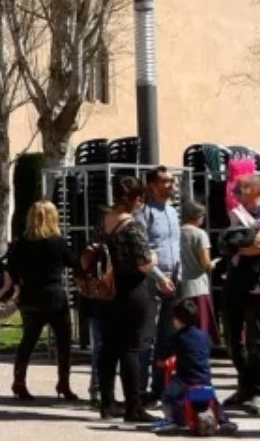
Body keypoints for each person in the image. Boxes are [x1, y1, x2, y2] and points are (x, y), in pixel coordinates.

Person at [97, 176, 158, 423]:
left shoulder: (103, 221)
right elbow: (144, 263)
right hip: (132, 291)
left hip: (107, 291)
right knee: (131, 349)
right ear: (135, 199)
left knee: (108, 349)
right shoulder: (133, 226)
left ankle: (107, 403)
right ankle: (134, 406)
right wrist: (155, 257)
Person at [6, 199, 80, 401]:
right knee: (63, 341)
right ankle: (63, 383)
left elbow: (10, 268)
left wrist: (18, 286)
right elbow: (74, 264)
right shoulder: (57, 242)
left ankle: (19, 381)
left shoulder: (21, 243)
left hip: (29, 295)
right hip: (53, 295)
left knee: (28, 340)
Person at [222, 173, 260, 415]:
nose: (235, 192)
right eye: (235, 188)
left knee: (258, 341)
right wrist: (236, 244)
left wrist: (237, 246)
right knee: (233, 341)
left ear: (256, 191)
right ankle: (244, 387)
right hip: (233, 284)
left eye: (241, 188)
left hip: (255, 287)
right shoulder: (236, 215)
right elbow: (225, 243)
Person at [135, 165, 182, 402]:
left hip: (173, 280)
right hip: (152, 281)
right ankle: (140, 390)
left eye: (171, 181)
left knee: (167, 336)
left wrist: (178, 273)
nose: (170, 185)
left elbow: (175, 245)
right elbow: (142, 251)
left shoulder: (173, 212)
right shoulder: (144, 212)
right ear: (152, 185)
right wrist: (159, 277)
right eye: (165, 181)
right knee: (147, 337)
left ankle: (160, 387)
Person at [158, 299, 236, 433]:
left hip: (185, 379)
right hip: (204, 377)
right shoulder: (204, 336)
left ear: (177, 320)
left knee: (167, 396)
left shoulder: (176, 338)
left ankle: (170, 421)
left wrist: (160, 361)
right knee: (214, 398)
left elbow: (164, 354)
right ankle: (223, 420)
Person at [178, 200, 216, 341]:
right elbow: (205, 262)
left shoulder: (176, 232)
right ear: (197, 216)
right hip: (198, 285)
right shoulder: (200, 234)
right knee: (200, 324)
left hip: (180, 285)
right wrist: (212, 264)